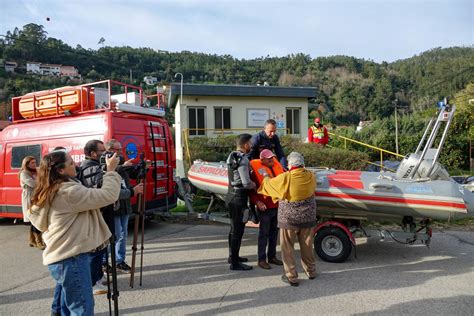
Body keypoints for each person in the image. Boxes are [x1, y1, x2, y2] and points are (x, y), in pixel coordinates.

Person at [28, 149, 121, 315]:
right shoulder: (68, 192)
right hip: (71, 259)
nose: (76, 164)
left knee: (67, 308)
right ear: (61, 170)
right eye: (71, 162)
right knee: (82, 309)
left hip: (64, 259)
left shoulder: (54, 189)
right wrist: (111, 171)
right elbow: (109, 195)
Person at [258, 152, 317, 286]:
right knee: (307, 246)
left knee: (287, 248)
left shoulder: (285, 177)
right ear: (302, 164)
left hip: (289, 219)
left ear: (290, 165)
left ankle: (292, 276)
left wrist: (265, 175)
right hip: (308, 217)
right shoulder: (311, 175)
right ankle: (311, 271)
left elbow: (269, 186)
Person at [77, 139, 111, 295]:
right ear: (92, 153)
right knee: (95, 251)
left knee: (100, 248)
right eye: (101, 151)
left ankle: (97, 277)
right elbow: (98, 192)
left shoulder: (96, 166)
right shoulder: (90, 168)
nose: (105, 154)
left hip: (100, 213)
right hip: (96, 214)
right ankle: (92, 283)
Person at [104, 139, 144, 273]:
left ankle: (119, 261)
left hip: (125, 204)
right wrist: (122, 166)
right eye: (118, 150)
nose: (121, 153)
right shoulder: (107, 166)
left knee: (123, 234)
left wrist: (142, 168)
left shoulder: (121, 165)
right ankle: (104, 262)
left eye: (121, 150)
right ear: (109, 151)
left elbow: (128, 180)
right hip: (114, 206)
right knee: (114, 235)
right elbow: (112, 187)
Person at [249, 149, 284, 269]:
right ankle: (261, 259)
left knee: (274, 234)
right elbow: (251, 191)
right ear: (262, 159)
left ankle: (272, 256)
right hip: (264, 208)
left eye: (272, 158)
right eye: (269, 158)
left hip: (277, 206)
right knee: (264, 234)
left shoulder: (276, 169)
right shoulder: (255, 173)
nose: (271, 160)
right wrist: (257, 202)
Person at [226, 133, 256, 271]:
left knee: (233, 228)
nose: (251, 145)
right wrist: (255, 185)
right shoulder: (243, 160)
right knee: (238, 230)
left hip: (231, 195)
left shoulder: (231, 156)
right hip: (239, 197)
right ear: (245, 145)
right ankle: (235, 263)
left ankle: (233, 257)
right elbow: (245, 182)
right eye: (250, 143)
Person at [19, 156, 45, 249]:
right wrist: (42, 181)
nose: (35, 164)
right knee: (35, 218)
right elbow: (34, 184)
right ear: (26, 164)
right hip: (29, 197)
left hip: (36, 195)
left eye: (35, 162)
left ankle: (32, 240)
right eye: (32, 163)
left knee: (34, 218)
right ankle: (38, 241)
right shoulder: (24, 173)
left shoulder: (36, 171)